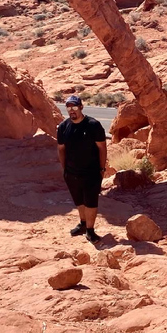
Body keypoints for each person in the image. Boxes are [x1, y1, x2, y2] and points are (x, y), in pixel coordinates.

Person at [57, 95, 108, 244]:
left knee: (91, 201)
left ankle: (90, 231)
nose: (71, 110)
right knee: (79, 200)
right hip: (72, 172)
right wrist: (64, 168)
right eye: (68, 107)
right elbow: (61, 149)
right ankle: (83, 224)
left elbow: (102, 148)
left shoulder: (93, 125)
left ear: (81, 107)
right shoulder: (63, 127)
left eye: (74, 107)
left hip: (91, 172)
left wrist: (102, 168)